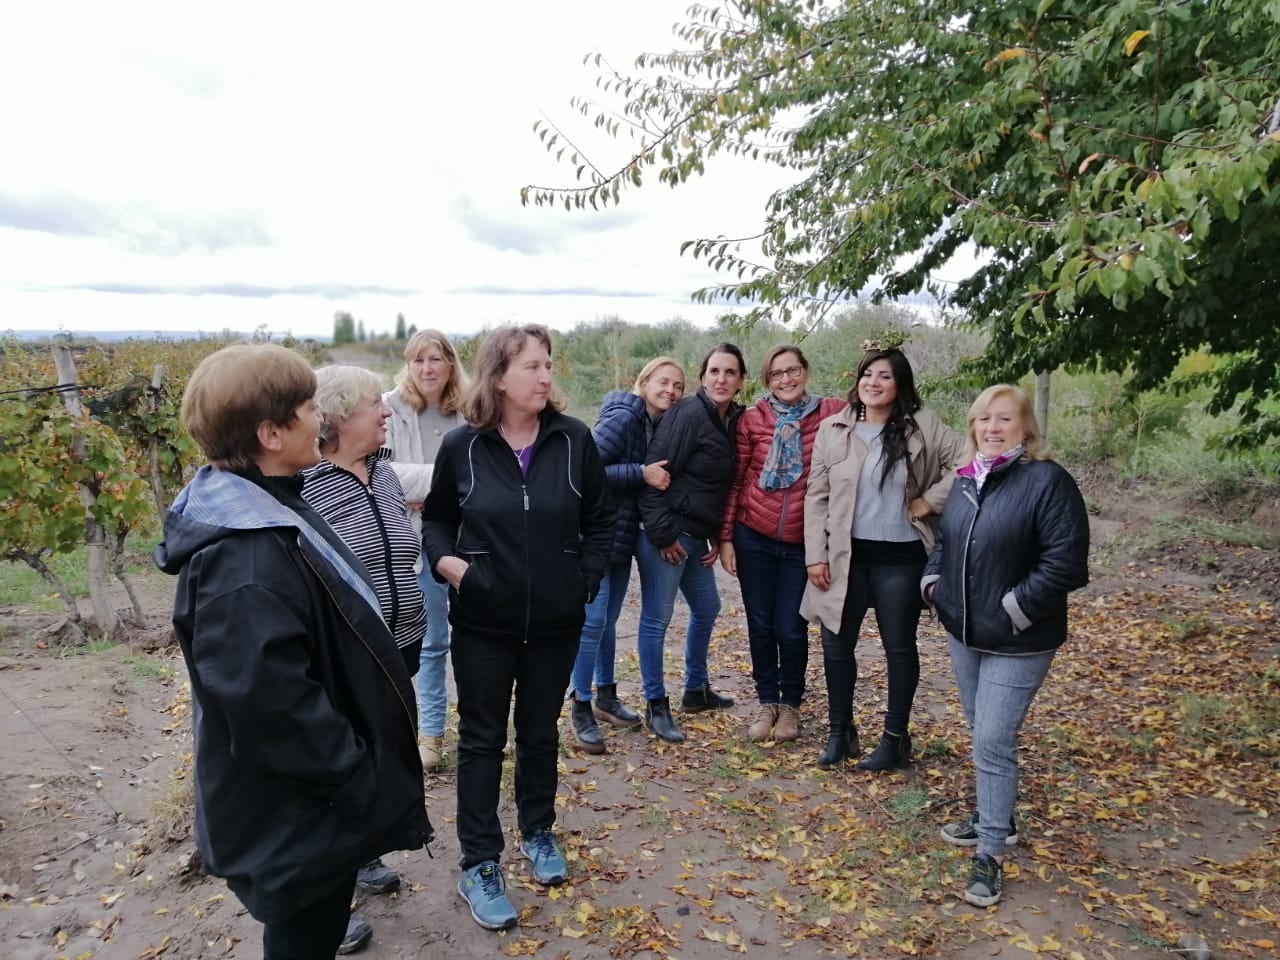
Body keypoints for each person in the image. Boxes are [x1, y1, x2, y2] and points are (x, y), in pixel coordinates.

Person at [155, 344, 431, 960]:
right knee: (305, 937)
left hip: (311, 804)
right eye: (310, 409)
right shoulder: (244, 559)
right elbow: (270, 706)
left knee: (317, 926)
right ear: (271, 433)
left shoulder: (277, 504)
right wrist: (357, 778)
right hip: (299, 811)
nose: (321, 420)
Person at [421, 324, 612, 931]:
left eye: (548, 364)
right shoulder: (464, 445)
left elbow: (602, 522)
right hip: (482, 623)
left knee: (538, 733)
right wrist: (452, 567)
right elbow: (439, 521)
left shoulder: (574, 441)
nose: (546, 376)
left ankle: (538, 832)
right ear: (498, 376)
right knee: (481, 741)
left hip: (555, 623)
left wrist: (580, 581)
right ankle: (480, 861)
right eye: (532, 366)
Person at [924, 384, 1089, 907]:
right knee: (982, 731)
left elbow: (1064, 562)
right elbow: (947, 541)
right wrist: (935, 587)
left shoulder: (1047, 481)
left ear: (1026, 428)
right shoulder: (967, 479)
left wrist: (1015, 609)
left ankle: (990, 853)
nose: (992, 429)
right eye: (984, 420)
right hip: (966, 633)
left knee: (993, 739)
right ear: (973, 426)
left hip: (1019, 639)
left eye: (1004, 420)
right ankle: (1000, 815)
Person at [301, 365, 428, 953]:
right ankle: (329, 896)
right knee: (340, 764)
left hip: (402, 640)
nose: (386, 412)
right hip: (348, 652)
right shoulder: (307, 486)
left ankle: (363, 854)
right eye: (374, 404)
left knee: (378, 752)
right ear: (337, 416)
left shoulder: (381, 473)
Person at [801, 345, 965, 771]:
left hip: (901, 558)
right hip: (843, 558)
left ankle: (895, 740)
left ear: (900, 385)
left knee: (898, 648)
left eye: (885, 376)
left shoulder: (922, 425)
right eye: (868, 373)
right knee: (836, 648)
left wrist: (930, 500)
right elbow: (816, 497)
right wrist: (814, 556)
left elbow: (969, 461)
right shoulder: (833, 429)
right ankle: (840, 733)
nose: (873, 382)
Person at [718, 346, 845, 743]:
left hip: (800, 543)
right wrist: (725, 537)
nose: (786, 380)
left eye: (792, 371)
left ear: (805, 372)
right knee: (760, 625)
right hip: (753, 534)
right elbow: (736, 480)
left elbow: (877, 402)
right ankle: (766, 701)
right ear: (767, 380)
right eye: (776, 374)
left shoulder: (831, 413)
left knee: (790, 628)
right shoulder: (752, 419)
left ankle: (790, 705)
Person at [568, 356, 686, 754]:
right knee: (593, 620)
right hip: (594, 535)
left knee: (608, 620)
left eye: (677, 386)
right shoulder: (626, 414)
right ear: (644, 381)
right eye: (663, 382)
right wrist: (642, 472)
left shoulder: (654, 422)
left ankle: (605, 697)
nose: (670, 390)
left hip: (616, 537)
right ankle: (579, 705)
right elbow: (586, 471)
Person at [635, 342, 747, 744]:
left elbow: (715, 485)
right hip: (667, 533)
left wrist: (715, 533)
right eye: (714, 371)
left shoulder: (732, 419)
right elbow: (654, 477)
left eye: (730, 372)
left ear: (740, 381)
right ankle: (655, 705)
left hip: (697, 534)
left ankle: (696, 690)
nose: (721, 379)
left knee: (707, 606)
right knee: (657, 618)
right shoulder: (687, 414)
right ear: (703, 377)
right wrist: (663, 534)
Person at [383, 330, 468, 771]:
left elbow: (486, 471)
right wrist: (445, 482)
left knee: (475, 638)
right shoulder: (389, 408)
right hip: (415, 544)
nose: (427, 369)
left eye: (435, 359)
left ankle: (476, 724)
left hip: (470, 541)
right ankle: (431, 734)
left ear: (450, 364)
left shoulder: (469, 412)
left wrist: (424, 487)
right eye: (418, 361)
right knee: (433, 642)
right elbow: (380, 474)